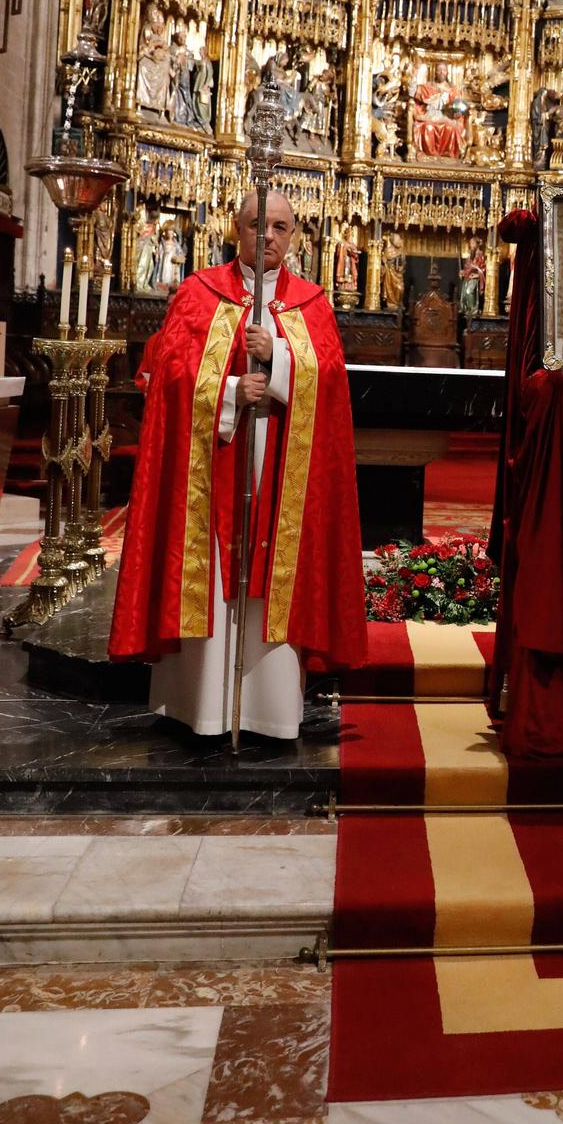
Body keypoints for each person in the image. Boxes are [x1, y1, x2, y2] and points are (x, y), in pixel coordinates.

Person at [108, 189, 366, 738]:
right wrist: (227, 392)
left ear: (293, 237)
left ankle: (269, 711)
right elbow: (170, 377)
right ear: (236, 230)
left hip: (279, 470)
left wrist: (277, 363)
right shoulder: (199, 294)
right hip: (215, 460)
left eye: (279, 227)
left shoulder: (311, 303)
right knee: (217, 572)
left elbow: (333, 384)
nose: (267, 236)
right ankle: (202, 708)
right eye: (256, 225)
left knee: (274, 571)